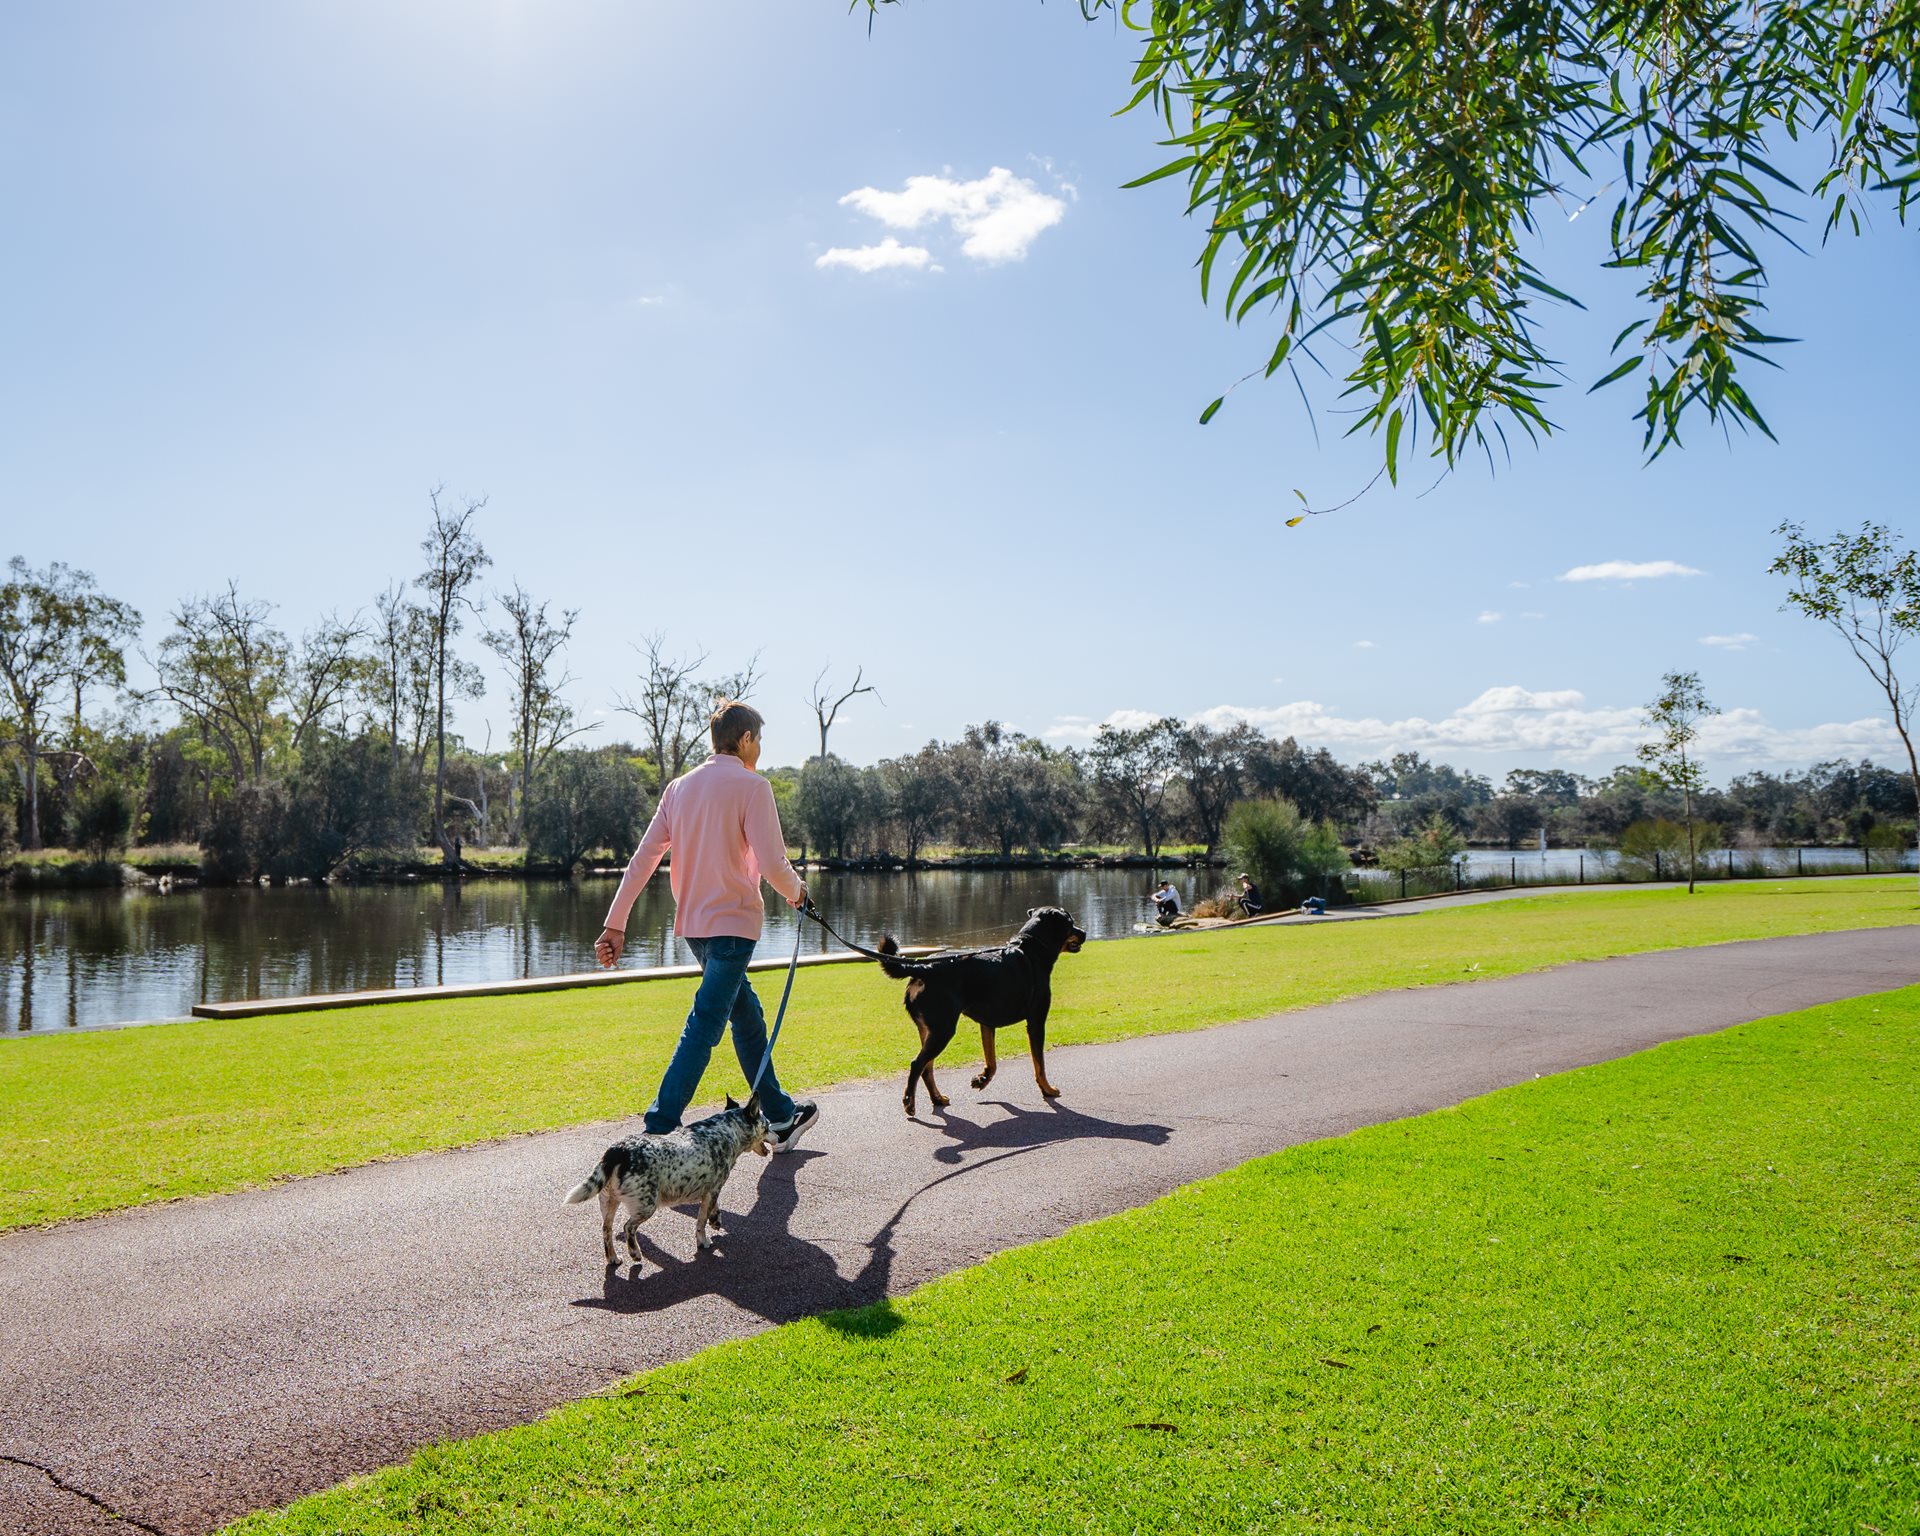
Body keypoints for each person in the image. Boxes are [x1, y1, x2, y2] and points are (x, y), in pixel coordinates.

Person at [594, 700, 819, 1153]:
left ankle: (779, 1116)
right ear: (747, 739)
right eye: (761, 739)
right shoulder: (753, 786)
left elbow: (642, 861)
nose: (762, 748)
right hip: (732, 928)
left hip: (696, 927)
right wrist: (798, 893)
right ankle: (656, 1133)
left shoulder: (679, 788)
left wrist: (615, 924)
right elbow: (774, 864)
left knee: (747, 1018)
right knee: (706, 1023)